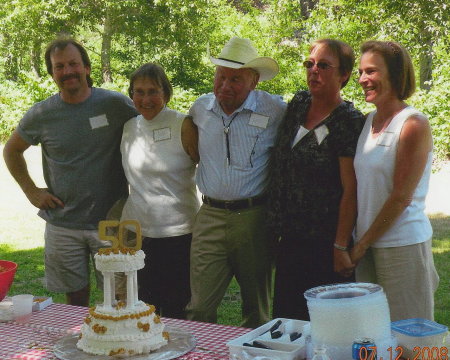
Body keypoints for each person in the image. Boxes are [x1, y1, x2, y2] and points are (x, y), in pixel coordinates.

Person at [2, 37, 138, 307]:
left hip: (113, 221)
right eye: (59, 66)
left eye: (73, 64)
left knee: (122, 297)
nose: (67, 72)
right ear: (52, 73)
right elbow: (11, 150)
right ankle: (82, 340)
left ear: (86, 67)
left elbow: (148, 127)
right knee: (74, 300)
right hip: (63, 224)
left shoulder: (115, 104)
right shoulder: (42, 114)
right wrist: (31, 191)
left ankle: (122, 347)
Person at [185, 36, 287, 328]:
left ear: (253, 81)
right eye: (221, 77)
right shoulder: (200, 108)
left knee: (257, 310)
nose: (225, 86)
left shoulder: (275, 110)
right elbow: (186, 123)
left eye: (235, 79)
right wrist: (185, 130)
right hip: (210, 217)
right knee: (199, 307)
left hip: (255, 218)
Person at [268, 39, 365, 320]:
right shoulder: (298, 104)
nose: (314, 71)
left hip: (324, 244)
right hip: (289, 240)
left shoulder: (348, 120)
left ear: (344, 74)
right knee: (288, 320)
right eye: (309, 64)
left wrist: (340, 245)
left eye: (324, 65)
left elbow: (351, 189)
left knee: (325, 324)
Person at [353, 40, 439, 321]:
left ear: (395, 74)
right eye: (361, 72)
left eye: (372, 71)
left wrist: (362, 244)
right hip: (367, 244)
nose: (363, 79)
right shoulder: (368, 121)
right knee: (372, 335)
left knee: (409, 339)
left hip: (402, 246)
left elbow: (401, 197)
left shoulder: (412, 124)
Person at [120, 63, 200, 319]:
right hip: (137, 232)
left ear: (166, 93)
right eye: (138, 92)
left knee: (178, 306)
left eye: (152, 91)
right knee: (142, 305)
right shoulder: (129, 127)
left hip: (180, 232)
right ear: (131, 94)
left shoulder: (183, 124)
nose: (145, 99)